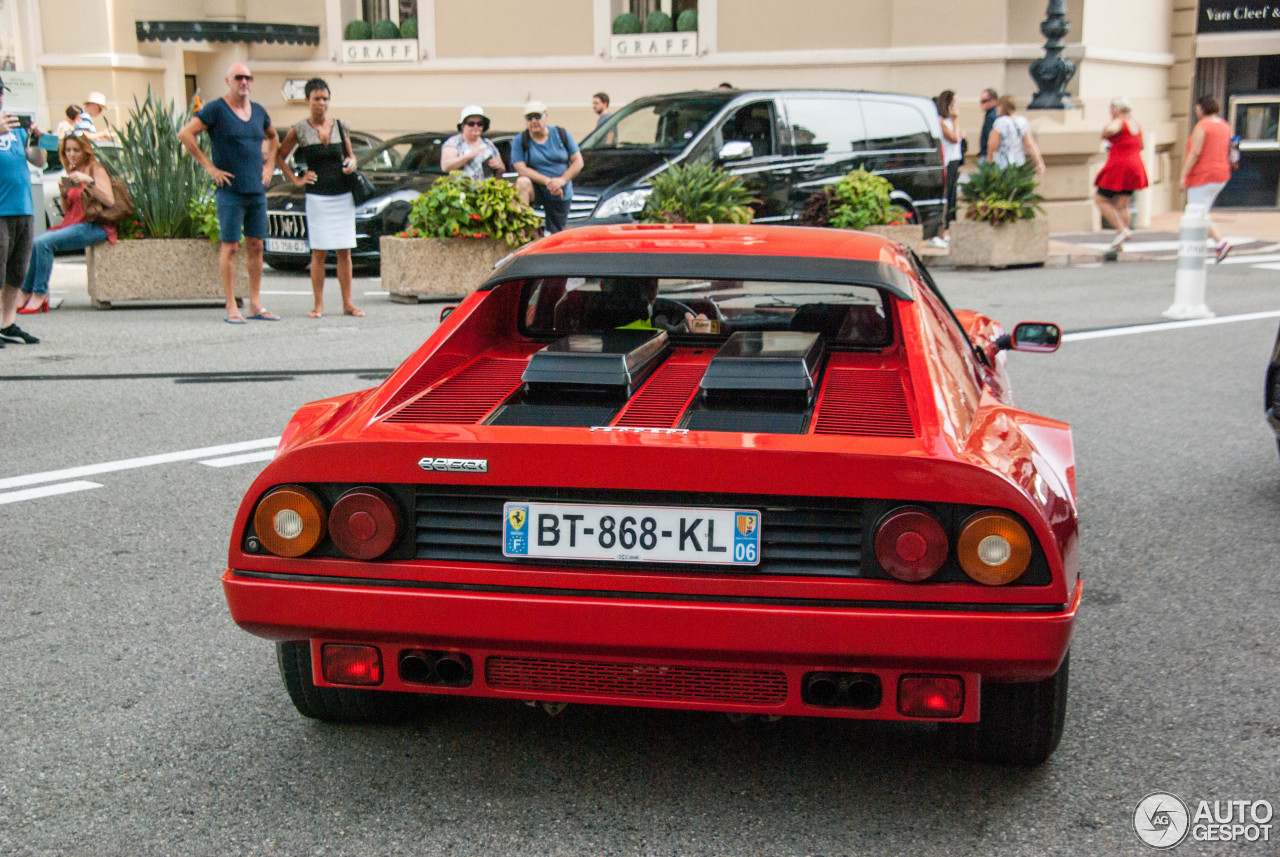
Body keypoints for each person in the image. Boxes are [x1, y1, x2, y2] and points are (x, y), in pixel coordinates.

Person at [178, 62, 280, 323]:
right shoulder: (216, 109)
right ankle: (231, 305)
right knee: (231, 246)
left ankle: (256, 304)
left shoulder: (258, 111)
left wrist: (269, 166)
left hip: (256, 189)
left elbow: (274, 136)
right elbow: (186, 134)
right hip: (230, 190)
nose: (243, 82)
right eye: (238, 78)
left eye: (247, 78)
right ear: (228, 81)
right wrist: (211, 168)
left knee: (256, 245)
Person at [276, 78, 363, 319]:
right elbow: (279, 156)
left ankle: (348, 303)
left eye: (325, 98)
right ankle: (318, 304)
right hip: (317, 196)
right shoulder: (300, 129)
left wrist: (351, 164)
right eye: (316, 99)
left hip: (342, 193)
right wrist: (297, 179)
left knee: (344, 250)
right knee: (319, 252)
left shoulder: (340, 126)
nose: (321, 103)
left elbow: (351, 155)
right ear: (307, 101)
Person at [17, 133, 116, 313]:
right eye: (68, 150)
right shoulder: (72, 173)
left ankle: (40, 295)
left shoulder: (95, 169)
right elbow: (68, 207)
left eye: (76, 150)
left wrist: (89, 182)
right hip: (75, 224)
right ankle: (25, 292)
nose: (71, 154)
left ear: (85, 151)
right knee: (35, 243)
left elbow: (109, 200)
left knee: (43, 243)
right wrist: (63, 194)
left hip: (97, 226)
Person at [0, 75, 47, 348]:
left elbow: (38, 161)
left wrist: (37, 139)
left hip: (22, 208)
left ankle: (7, 323)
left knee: (16, 272)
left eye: (1, 92)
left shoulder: (15, 126)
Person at [512, 101, 583, 235]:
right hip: (538, 189)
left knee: (558, 232)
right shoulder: (520, 140)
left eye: (537, 116)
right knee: (522, 183)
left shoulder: (561, 134)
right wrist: (548, 182)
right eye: (529, 118)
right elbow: (521, 168)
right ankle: (522, 231)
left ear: (546, 116)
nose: (534, 121)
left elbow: (578, 161)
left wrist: (561, 181)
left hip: (561, 190)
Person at [1180, 95, 1234, 263]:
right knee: (1203, 210)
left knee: (1197, 211)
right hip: (1221, 173)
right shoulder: (1225, 126)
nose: (1196, 111)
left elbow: (1195, 153)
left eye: (1197, 108)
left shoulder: (1202, 126)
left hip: (1203, 174)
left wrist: (1183, 175)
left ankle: (1220, 242)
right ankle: (1212, 242)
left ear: (1202, 109)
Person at [1093, 96, 1149, 252]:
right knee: (1123, 204)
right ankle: (1120, 241)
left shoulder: (1120, 122)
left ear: (1115, 110)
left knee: (1101, 198)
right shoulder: (1135, 124)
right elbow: (1141, 145)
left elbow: (1111, 129)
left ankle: (1121, 230)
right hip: (1135, 164)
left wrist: (1105, 133)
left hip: (1120, 165)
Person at [929, 89, 962, 249]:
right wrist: (955, 121)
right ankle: (942, 230)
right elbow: (954, 138)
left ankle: (949, 229)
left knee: (953, 197)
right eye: (954, 103)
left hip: (954, 161)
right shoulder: (942, 121)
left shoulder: (948, 121)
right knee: (947, 196)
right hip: (947, 162)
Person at [439, 105, 503, 180]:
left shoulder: (488, 144)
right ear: (463, 125)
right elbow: (445, 167)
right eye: (471, 124)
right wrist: (469, 156)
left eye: (479, 124)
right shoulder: (454, 142)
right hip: (462, 189)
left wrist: (498, 166)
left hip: (486, 188)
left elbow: (502, 169)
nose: (476, 126)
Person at [988, 95, 1045, 176]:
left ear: (1002, 107)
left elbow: (993, 145)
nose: (996, 108)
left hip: (1002, 164)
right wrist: (1039, 162)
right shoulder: (1022, 121)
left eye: (997, 106)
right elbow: (1030, 144)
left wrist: (989, 162)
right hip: (1019, 162)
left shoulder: (1000, 122)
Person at [976, 88, 998, 164]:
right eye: (981, 101)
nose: (981, 104)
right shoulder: (991, 114)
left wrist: (989, 157)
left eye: (984, 101)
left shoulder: (991, 116)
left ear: (994, 101)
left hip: (988, 155)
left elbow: (992, 139)